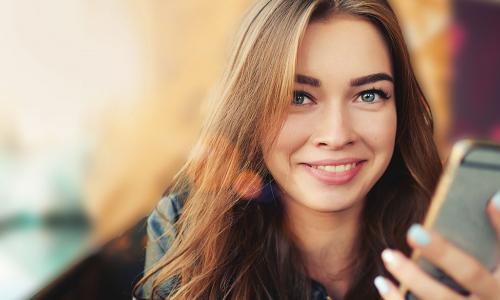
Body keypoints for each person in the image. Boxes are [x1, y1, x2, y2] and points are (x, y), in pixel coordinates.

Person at [133, 0, 500, 299]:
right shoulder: (184, 231)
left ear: (398, 110)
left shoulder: (459, 238)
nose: (337, 135)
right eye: (299, 97)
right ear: (250, 110)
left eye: (368, 95)